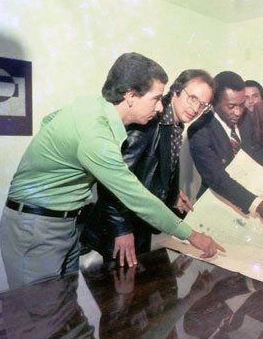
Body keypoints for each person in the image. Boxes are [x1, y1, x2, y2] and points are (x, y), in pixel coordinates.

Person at [0, 53, 224, 289]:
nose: (160, 107)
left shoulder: (90, 105)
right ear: (130, 96)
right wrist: (193, 236)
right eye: (156, 98)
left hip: (65, 222)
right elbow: (136, 197)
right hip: (37, 226)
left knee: (66, 313)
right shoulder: (98, 137)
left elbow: (49, 120)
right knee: (38, 316)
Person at [80, 69, 214, 266]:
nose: (195, 109)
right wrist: (121, 229)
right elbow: (113, 181)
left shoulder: (174, 124)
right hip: (114, 232)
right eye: (192, 98)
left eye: (202, 105)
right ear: (176, 90)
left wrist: (171, 194)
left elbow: (151, 170)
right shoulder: (148, 120)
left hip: (139, 226)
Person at [188, 71, 263, 230]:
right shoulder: (199, 130)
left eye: (241, 105)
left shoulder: (246, 118)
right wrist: (258, 205)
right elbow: (218, 179)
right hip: (216, 201)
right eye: (231, 107)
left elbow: (254, 149)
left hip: (248, 193)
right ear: (214, 102)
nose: (238, 112)